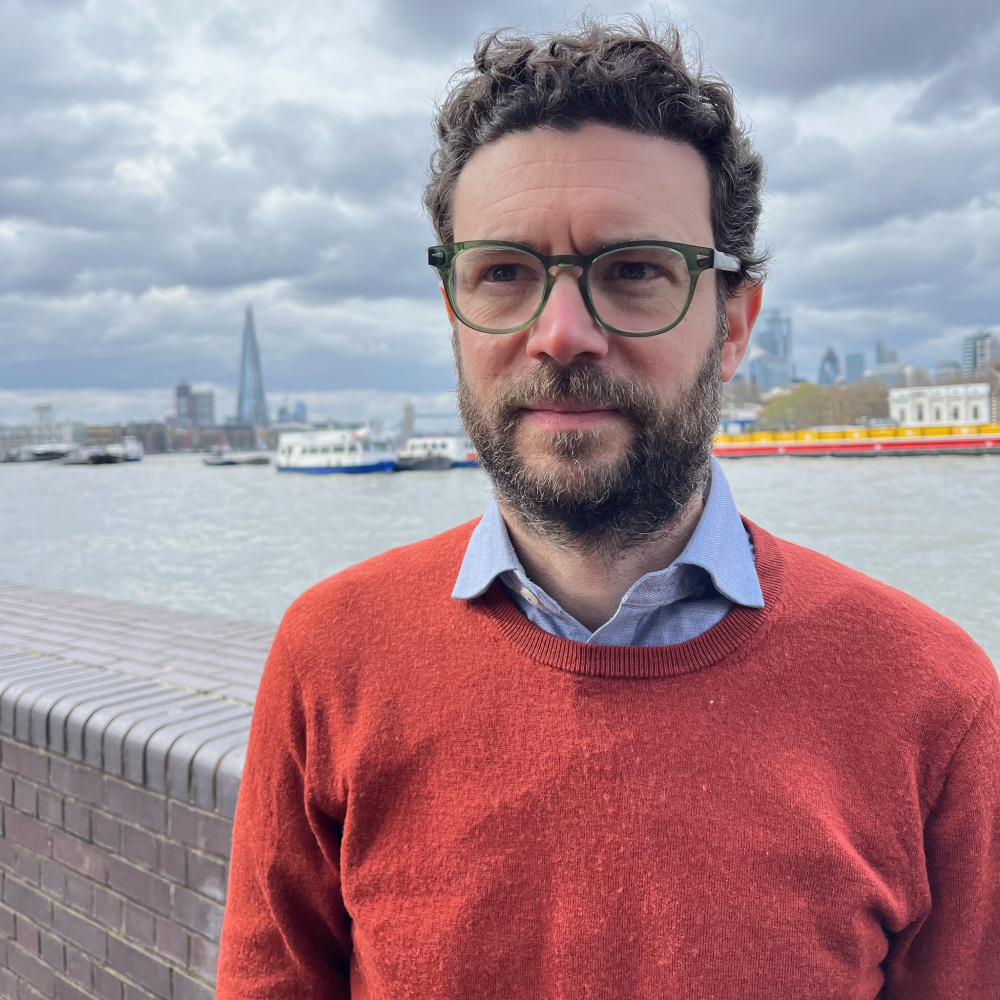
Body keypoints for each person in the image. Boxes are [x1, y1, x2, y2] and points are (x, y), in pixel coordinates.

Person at [216, 18, 999, 999]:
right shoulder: (328, 655)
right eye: (501, 273)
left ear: (734, 325)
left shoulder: (933, 699)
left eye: (633, 271)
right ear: (453, 317)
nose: (561, 333)